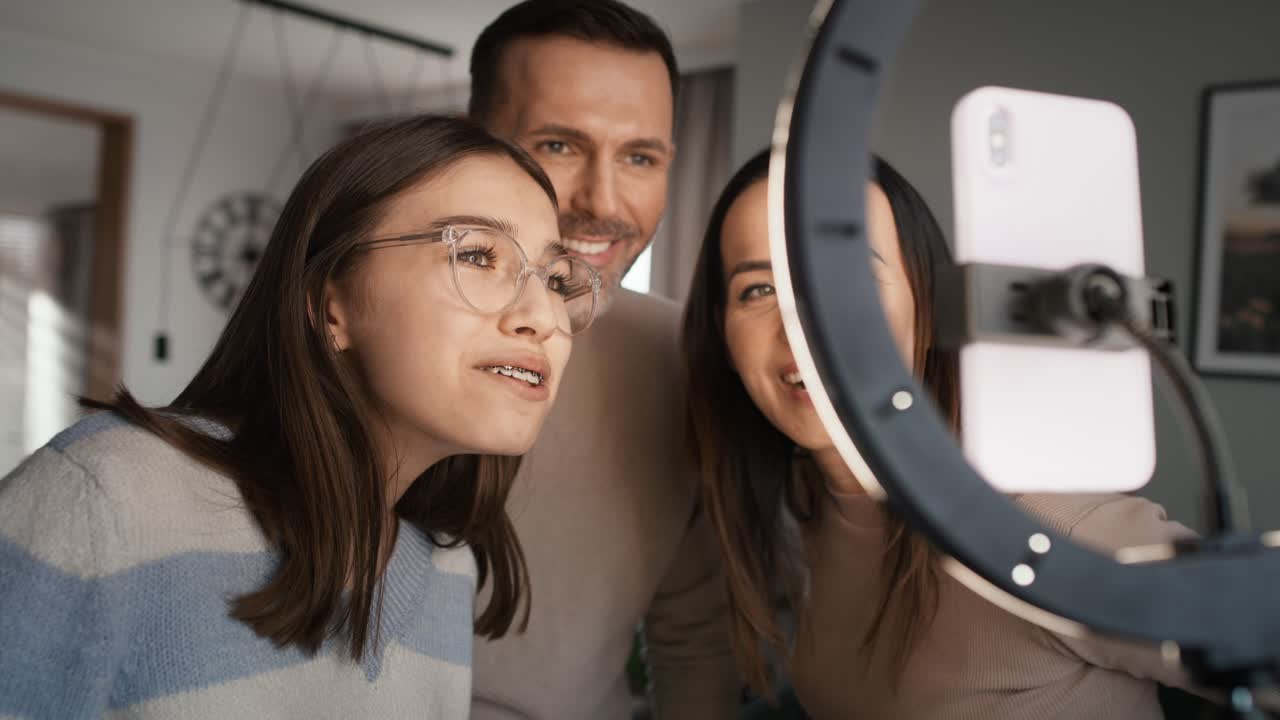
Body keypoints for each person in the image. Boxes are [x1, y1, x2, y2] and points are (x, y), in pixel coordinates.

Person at [0, 115, 599, 718]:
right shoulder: (107, 497)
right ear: (329, 305)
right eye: (475, 254)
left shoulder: (449, 573)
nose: (542, 316)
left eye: (553, 278)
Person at [683, 149, 1205, 719]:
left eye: (850, 277)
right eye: (758, 290)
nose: (800, 326)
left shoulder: (1041, 521)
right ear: (724, 336)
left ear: (928, 305)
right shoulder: (800, 507)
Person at [466, 1, 738, 718]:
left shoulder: (683, 355)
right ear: (468, 145)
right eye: (558, 146)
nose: (604, 202)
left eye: (640, 157)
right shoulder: (358, 328)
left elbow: (692, 628)